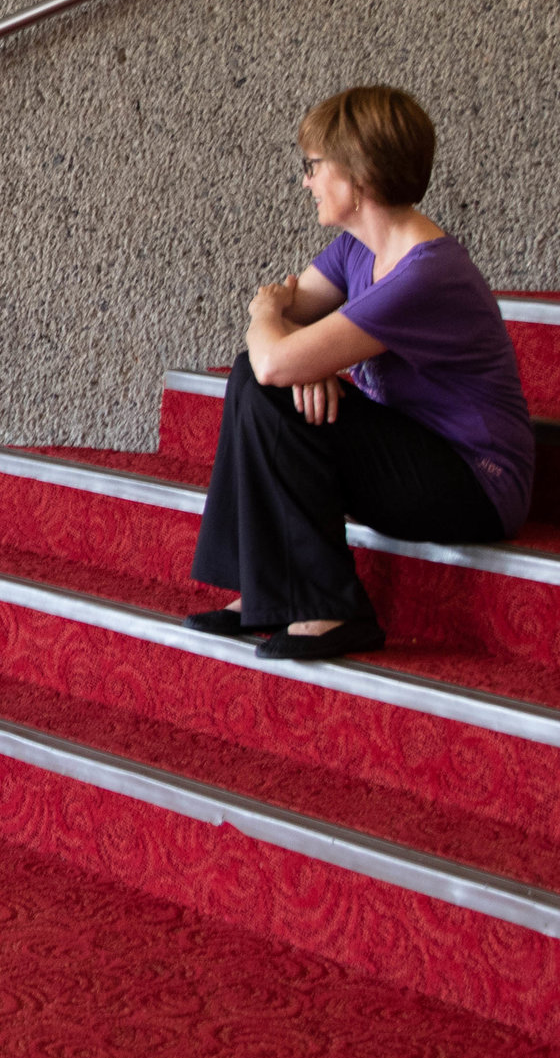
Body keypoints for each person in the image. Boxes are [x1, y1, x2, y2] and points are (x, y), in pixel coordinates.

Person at [188, 86, 533, 660]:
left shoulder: (426, 276)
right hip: (410, 454)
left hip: (475, 481)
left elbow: (275, 334)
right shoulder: (355, 250)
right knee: (254, 376)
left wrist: (277, 329)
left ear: (358, 175)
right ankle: (264, 592)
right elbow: (284, 328)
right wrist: (296, 347)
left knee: (264, 375)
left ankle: (331, 607)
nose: (305, 181)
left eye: (314, 166)